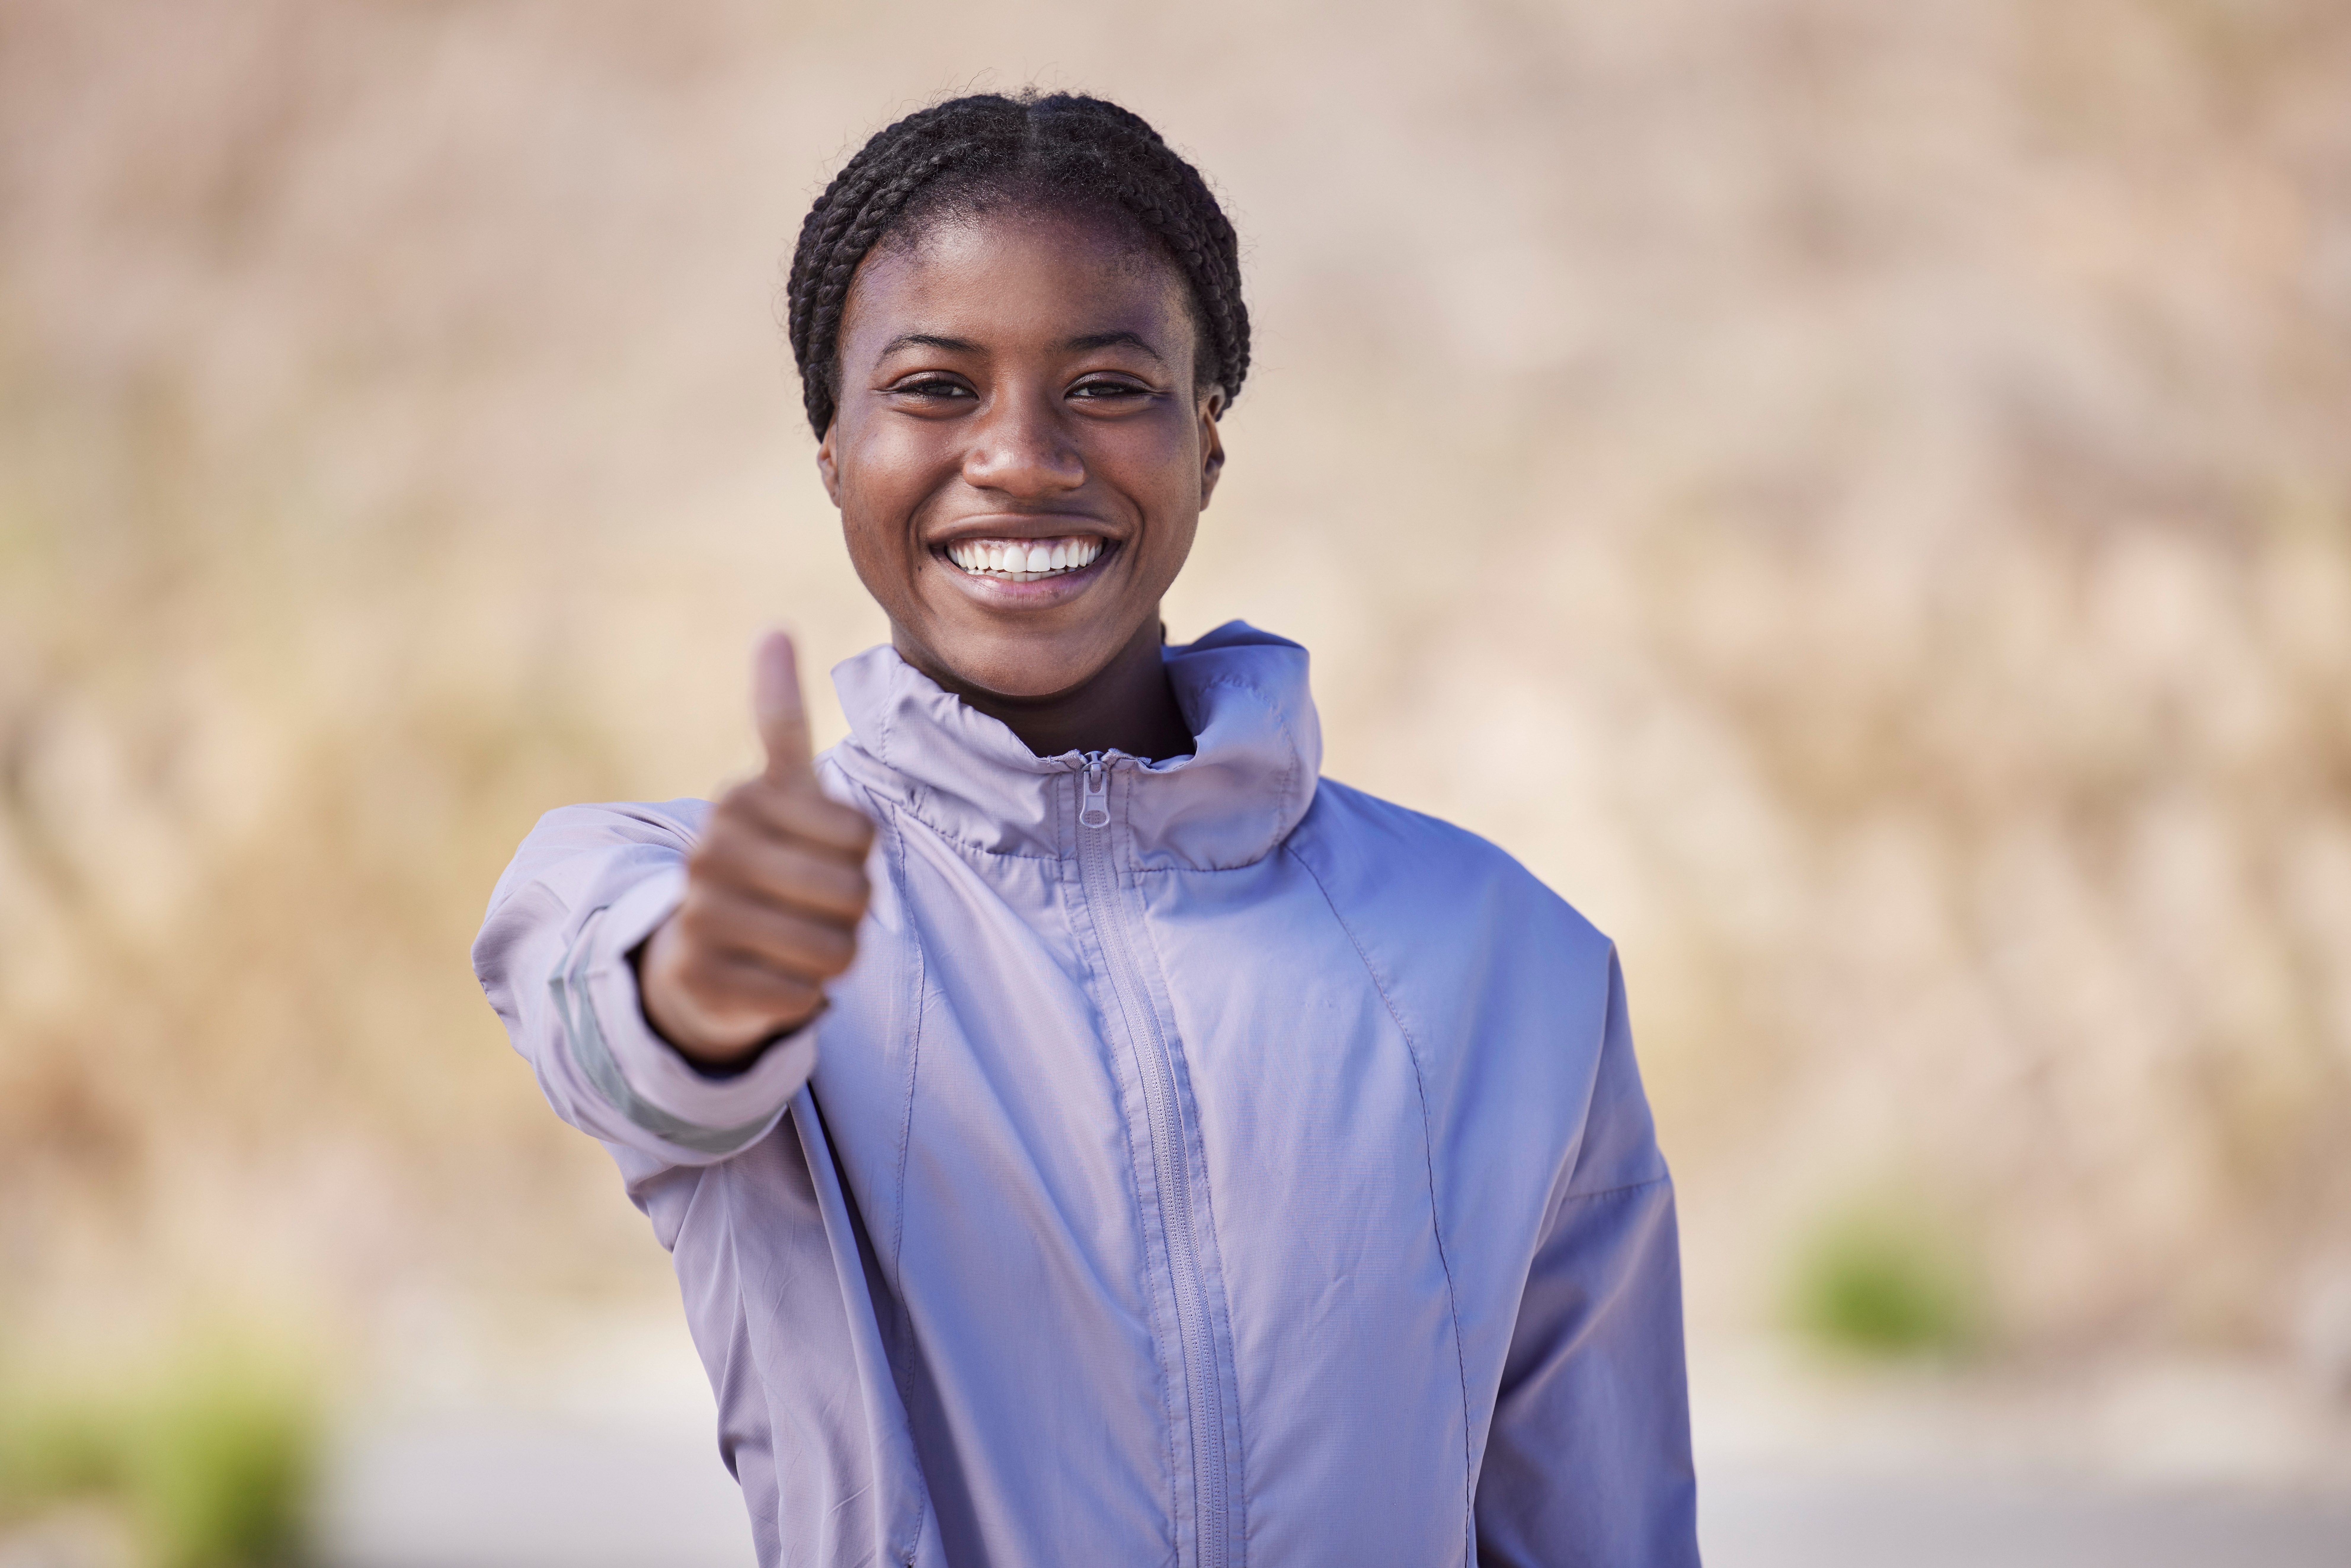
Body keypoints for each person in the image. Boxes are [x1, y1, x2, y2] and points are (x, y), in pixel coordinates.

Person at [473, 90, 1698, 1567]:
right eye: (934, 388)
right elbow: (644, 1053)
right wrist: (715, 983)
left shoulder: (1513, 961)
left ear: (1209, 439)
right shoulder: (674, 888)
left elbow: (1599, 1529)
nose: (1025, 457)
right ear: (831, 449)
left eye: (1108, 386)